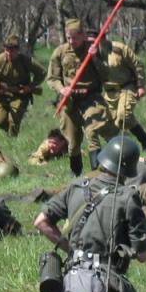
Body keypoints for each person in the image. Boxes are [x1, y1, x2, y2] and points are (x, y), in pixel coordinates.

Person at [31, 136, 146, 292]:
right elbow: (142, 255)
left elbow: (41, 221)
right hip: (104, 291)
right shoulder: (127, 197)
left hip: (70, 288)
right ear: (130, 167)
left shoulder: (77, 186)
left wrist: (71, 250)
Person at [47, 18, 112, 176]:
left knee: (92, 132)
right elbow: (52, 78)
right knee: (73, 141)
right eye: (68, 38)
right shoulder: (60, 52)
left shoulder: (95, 49)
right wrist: (62, 89)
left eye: (75, 38)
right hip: (70, 101)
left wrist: (95, 58)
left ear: (83, 35)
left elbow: (106, 75)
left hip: (91, 98)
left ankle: (96, 173)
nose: (71, 41)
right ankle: (75, 172)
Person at [0, 35, 45, 137]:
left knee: (14, 120)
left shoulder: (26, 61)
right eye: (7, 50)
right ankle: (7, 132)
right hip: (2, 94)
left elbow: (42, 72)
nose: (9, 53)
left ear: (18, 50)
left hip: (20, 95)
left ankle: (12, 139)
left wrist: (30, 86)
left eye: (12, 51)